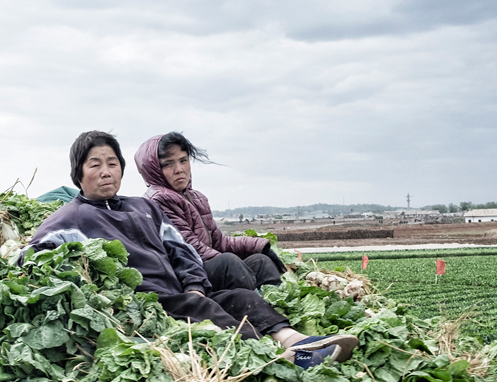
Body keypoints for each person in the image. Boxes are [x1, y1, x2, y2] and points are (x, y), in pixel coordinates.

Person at [27, 130, 355, 367]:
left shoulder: (142, 206)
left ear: (122, 169)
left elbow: (182, 251)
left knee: (240, 298)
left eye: (112, 163)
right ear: (78, 173)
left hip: (180, 294)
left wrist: (196, 285)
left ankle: (298, 342)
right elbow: (28, 256)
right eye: (94, 164)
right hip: (145, 305)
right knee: (204, 311)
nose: (105, 171)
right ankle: (278, 362)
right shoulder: (71, 218)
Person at [136, 132, 285, 292]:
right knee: (228, 262)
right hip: (188, 276)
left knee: (260, 260)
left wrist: (260, 246)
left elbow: (219, 241)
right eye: (168, 164)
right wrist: (233, 264)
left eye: (183, 161)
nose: (179, 169)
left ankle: (277, 303)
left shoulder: (197, 197)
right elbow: (189, 248)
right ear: (153, 169)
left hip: (207, 265)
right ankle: (254, 307)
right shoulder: (159, 200)